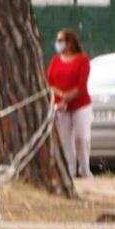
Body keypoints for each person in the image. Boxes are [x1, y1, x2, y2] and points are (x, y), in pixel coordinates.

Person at [46, 28, 92, 178]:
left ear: (70, 42)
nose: (58, 44)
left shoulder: (82, 59)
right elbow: (49, 82)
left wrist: (66, 97)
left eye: (61, 40)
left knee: (82, 137)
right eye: (57, 40)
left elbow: (81, 86)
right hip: (61, 107)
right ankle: (70, 171)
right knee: (65, 139)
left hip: (80, 105)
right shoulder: (55, 61)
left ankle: (84, 169)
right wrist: (58, 99)